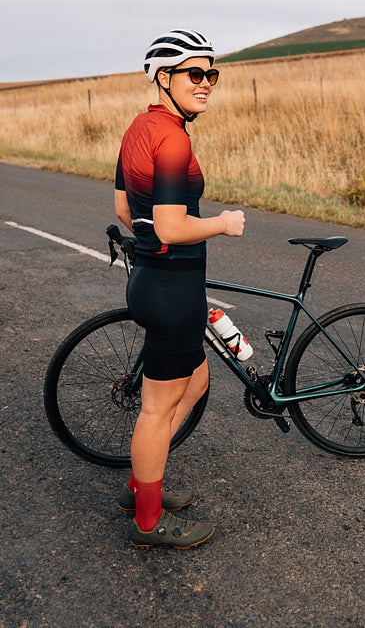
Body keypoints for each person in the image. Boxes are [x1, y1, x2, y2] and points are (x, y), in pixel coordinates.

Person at [114, 29, 245, 549]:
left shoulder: (138, 128)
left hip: (158, 279)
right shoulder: (172, 138)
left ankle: (139, 485)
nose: (206, 82)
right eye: (195, 73)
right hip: (171, 284)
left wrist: (158, 240)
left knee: (195, 383)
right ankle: (147, 522)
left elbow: (126, 211)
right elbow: (170, 226)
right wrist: (221, 222)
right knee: (157, 408)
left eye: (211, 73)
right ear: (164, 78)